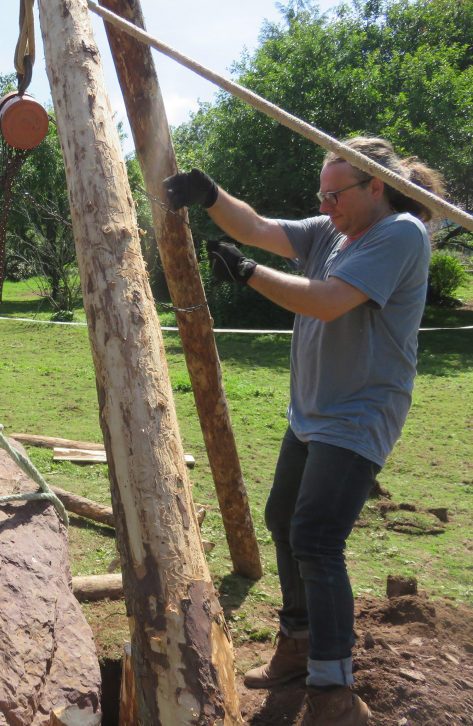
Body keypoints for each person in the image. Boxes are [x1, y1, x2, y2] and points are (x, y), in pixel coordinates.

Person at [163, 137, 444, 726]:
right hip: (313, 411)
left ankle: (333, 693)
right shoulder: (331, 231)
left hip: (360, 412)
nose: (326, 202)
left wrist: (247, 274)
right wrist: (209, 194)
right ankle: (297, 643)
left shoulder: (401, 233)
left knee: (315, 537)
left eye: (335, 193)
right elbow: (260, 226)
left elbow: (327, 301)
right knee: (281, 519)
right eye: (322, 194)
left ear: (375, 187)